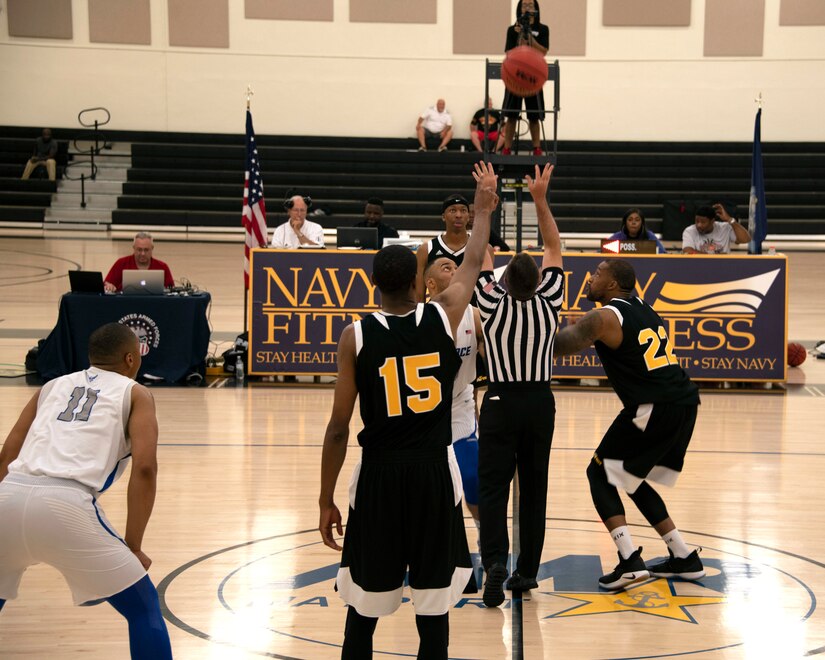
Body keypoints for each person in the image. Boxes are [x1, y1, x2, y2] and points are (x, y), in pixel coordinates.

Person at [318, 161, 499, 659]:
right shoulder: (442, 317)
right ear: (419, 282)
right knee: (434, 613)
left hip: (378, 476)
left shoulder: (355, 335)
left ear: (374, 282)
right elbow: (473, 259)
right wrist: (482, 206)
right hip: (431, 474)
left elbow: (338, 429)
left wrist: (324, 498)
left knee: (363, 613)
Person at [0, 322, 173, 659]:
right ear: (130, 358)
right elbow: (145, 468)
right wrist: (133, 546)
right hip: (65, 504)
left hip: (8, 494)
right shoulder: (136, 392)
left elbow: (7, 455)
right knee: (143, 608)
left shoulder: (51, 386)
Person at [553, 259, 704, 591]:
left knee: (599, 472)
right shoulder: (644, 308)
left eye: (597, 273)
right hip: (683, 402)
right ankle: (683, 556)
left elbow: (564, 344)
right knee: (629, 477)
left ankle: (630, 561)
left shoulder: (606, 315)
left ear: (611, 284)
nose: (590, 277)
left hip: (655, 405)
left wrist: (524, 337)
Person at [474, 163, 564, 608]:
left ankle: (493, 560)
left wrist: (486, 201)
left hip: (498, 398)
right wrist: (540, 199)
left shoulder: (490, 300)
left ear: (505, 282)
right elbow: (553, 244)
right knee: (533, 487)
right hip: (539, 402)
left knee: (492, 488)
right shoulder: (551, 300)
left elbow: (482, 253)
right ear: (540, 282)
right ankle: (526, 570)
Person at [424, 257, 484, 527]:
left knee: (472, 478)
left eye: (457, 267)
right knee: (432, 488)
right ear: (431, 283)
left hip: (460, 407)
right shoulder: (419, 318)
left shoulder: (473, 315)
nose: (455, 270)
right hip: (424, 414)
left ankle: (485, 534)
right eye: (446, 268)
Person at [500, 0, 549, 156]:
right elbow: (509, 53)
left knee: (534, 116)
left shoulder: (543, 29)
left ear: (536, 8)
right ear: (519, 8)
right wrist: (519, 36)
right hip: (515, 77)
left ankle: (537, 148)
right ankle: (506, 148)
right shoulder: (512, 29)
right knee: (511, 115)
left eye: (530, 4)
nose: (527, 7)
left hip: (533, 78)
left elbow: (543, 52)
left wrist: (531, 39)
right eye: (524, 5)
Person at [415, 194, 471, 301]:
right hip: (436, 313)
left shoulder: (483, 248)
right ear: (443, 216)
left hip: (471, 313)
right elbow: (419, 294)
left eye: (463, 210)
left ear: (468, 216)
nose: (458, 215)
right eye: (453, 210)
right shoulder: (426, 249)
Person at [104, 231, 175, 293]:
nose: (142, 253)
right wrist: (109, 286)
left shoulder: (162, 267)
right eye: (139, 250)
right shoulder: (121, 263)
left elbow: (172, 290)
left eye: (146, 250)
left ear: (152, 249)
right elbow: (107, 283)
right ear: (133, 248)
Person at [681, 203, 750, 254]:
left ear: (712, 221)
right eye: (697, 221)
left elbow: (746, 239)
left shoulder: (725, 227)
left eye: (703, 222)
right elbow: (688, 251)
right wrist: (716, 258)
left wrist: (730, 219)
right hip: (699, 267)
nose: (699, 225)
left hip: (724, 267)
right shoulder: (690, 231)